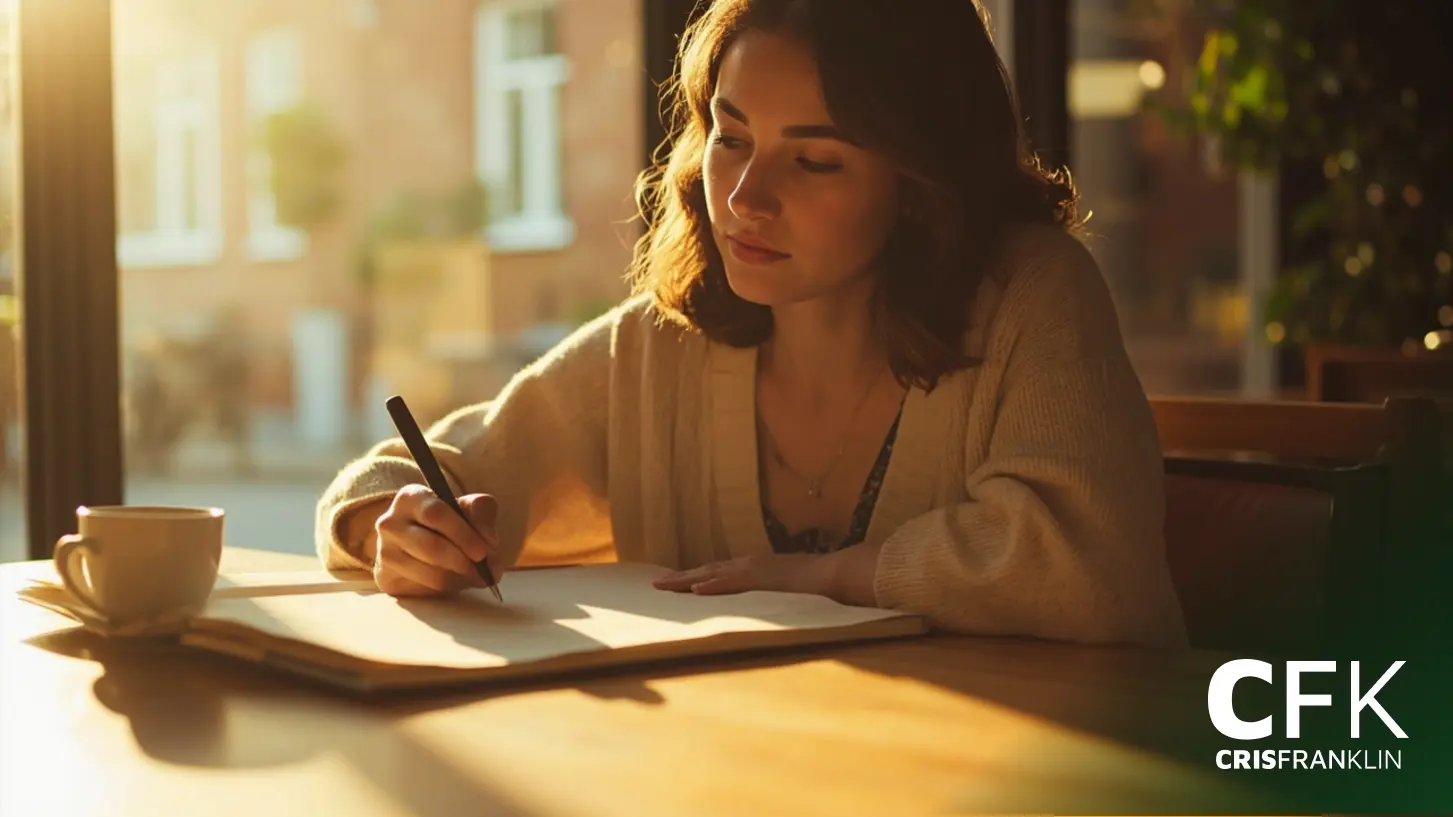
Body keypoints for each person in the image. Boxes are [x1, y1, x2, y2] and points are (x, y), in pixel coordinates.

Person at [315, 0, 1188, 647]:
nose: (743, 198)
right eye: (730, 140)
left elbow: (1087, 566)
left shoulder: (1030, 297)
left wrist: (831, 575)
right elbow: (410, 475)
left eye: (812, 160)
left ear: (920, 187)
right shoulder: (661, 347)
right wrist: (396, 528)